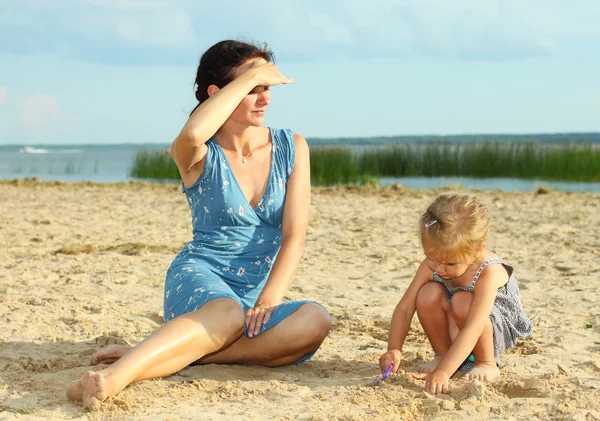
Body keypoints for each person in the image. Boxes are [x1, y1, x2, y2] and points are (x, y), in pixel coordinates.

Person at [67, 40, 331, 410]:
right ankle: (111, 379)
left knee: (315, 320)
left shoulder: (293, 147)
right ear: (217, 94)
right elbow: (191, 134)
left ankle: (178, 351)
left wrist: (270, 297)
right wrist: (252, 76)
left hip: (253, 297)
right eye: (252, 87)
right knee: (226, 314)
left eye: (266, 87)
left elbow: (294, 235)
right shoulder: (196, 152)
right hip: (199, 280)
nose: (264, 98)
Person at [379, 192, 531, 395]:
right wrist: (394, 348)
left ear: (477, 250)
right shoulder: (432, 265)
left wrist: (443, 373)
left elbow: (475, 326)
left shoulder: (489, 271)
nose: (439, 268)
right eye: (431, 257)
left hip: (492, 328)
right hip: (456, 323)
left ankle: (486, 362)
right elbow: (405, 308)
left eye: (450, 263)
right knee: (427, 293)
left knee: (462, 300)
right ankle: (442, 353)